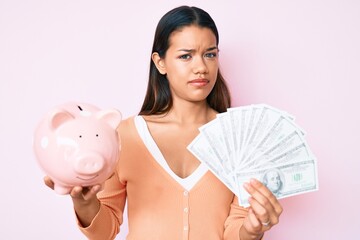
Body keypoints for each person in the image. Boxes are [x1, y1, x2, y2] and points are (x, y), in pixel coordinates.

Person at [45, 5, 282, 240]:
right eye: (185, 56)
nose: (201, 67)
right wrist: (83, 202)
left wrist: (252, 230)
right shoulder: (124, 136)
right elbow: (104, 232)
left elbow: (235, 230)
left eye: (210, 54)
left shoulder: (240, 138)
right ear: (160, 63)